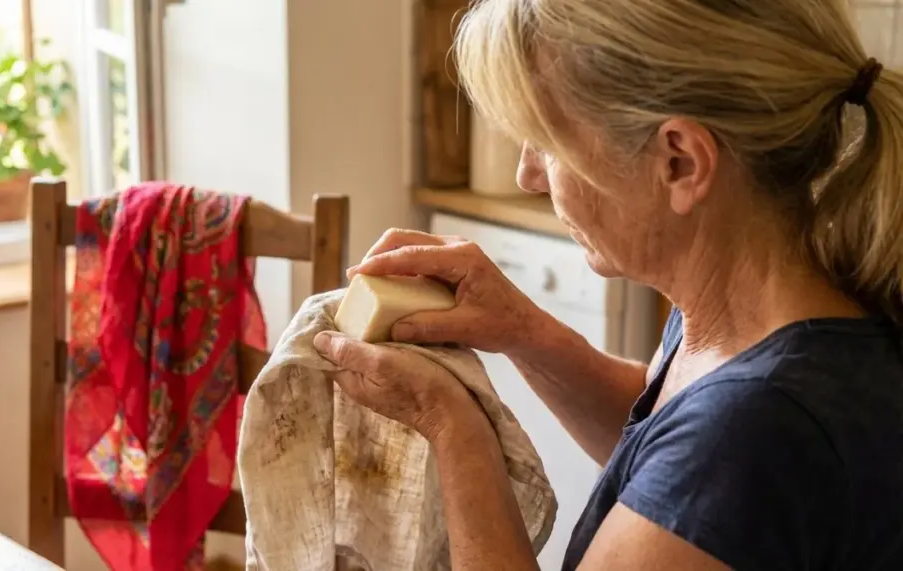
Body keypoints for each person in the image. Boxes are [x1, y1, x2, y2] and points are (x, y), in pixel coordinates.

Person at [311, 0, 903, 569]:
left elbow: (709, 461)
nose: (527, 174)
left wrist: (452, 425)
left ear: (681, 162)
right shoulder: (778, 304)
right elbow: (667, 461)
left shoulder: (761, 424)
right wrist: (520, 330)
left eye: (547, 142)